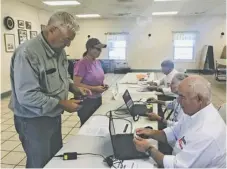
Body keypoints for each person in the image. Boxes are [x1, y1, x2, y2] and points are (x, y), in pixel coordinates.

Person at [9, 12, 91, 168]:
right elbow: (27, 96)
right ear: (52, 29)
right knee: (39, 163)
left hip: (52, 116)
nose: (68, 44)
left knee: (54, 159)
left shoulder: (58, 51)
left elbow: (63, 77)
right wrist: (61, 103)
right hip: (33, 121)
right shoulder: (27, 53)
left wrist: (73, 86)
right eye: (66, 39)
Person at [134, 75, 226, 168]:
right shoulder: (193, 112)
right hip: (179, 156)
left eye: (182, 97)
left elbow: (177, 166)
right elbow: (174, 132)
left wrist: (148, 149)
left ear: (199, 99)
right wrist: (151, 133)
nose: (178, 100)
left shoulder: (206, 133)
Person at [73, 38, 108, 126]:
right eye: (97, 49)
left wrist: (102, 85)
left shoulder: (97, 62)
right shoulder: (82, 63)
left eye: (100, 49)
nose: (99, 51)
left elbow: (97, 78)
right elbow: (76, 84)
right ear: (89, 49)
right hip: (86, 100)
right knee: (86, 125)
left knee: (95, 124)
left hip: (97, 98)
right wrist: (94, 88)